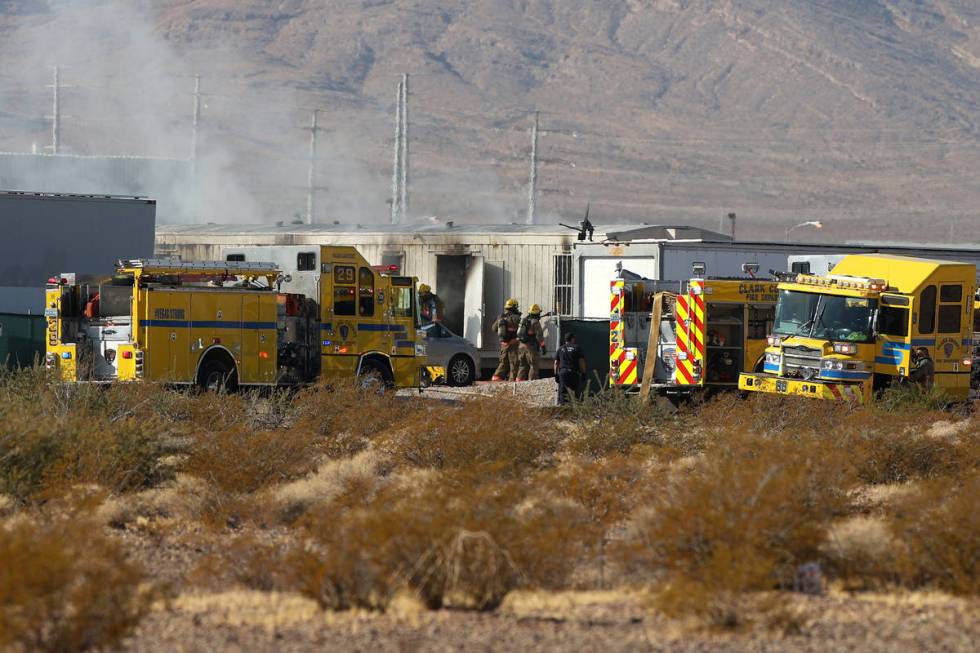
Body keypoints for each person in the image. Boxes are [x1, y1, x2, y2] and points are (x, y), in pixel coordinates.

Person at [491, 298, 522, 381]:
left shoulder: (501, 317)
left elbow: (494, 328)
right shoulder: (517, 318)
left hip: (504, 344)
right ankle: (512, 380)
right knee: (514, 363)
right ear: (515, 307)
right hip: (513, 343)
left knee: (503, 362)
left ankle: (496, 377)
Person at [516, 304, 546, 381]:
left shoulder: (524, 320)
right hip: (530, 347)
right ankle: (532, 382)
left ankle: (519, 381)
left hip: (521, 346)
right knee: (534, 365)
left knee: (522, 365)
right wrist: (543, 347)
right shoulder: (535, 322)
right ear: (537, 313)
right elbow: (539, 336)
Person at [555, 332, 587, 405]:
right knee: (575, 391)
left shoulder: (560, 349)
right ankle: (575, 408)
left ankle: (563, 408)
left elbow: (556, 363)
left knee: (563, 391)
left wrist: (556, 374)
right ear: (572, 339)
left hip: (563, 373)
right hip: (574, 373)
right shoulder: (577, 348)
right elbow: (581, 362)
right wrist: (584, 373)